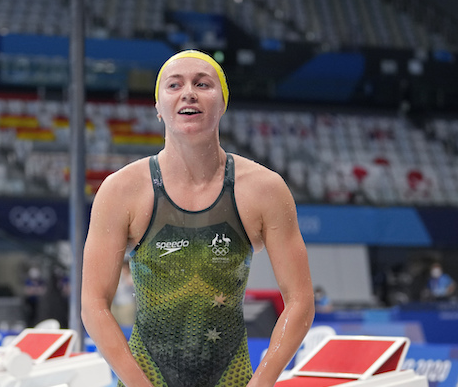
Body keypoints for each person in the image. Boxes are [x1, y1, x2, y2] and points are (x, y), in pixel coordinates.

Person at [81, 50, 315, 387]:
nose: (188, 92)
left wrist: (261, 383)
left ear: (223, 103)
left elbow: (300, 300)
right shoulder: (121, 191)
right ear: (158, 107)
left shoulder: (264, 189)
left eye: (202, 84)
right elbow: (93, 303)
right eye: (174, 84)